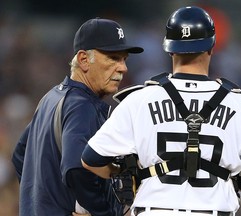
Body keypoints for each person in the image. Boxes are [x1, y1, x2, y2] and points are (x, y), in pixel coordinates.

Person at [81, 6, 241, 216]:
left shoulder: (138, 100)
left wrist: (131, 175)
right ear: (211, 47)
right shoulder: (240, 105)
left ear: (170, 49)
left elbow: (90, 159)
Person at [11, 17, 143, 216]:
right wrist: (101, 212)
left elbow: (20, 154)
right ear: (83, 60)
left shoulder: (52, 97)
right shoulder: (82, 106)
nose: (123, 67)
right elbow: (76, 168)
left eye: (124, 59)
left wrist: (40, 203)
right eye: (113, 58)